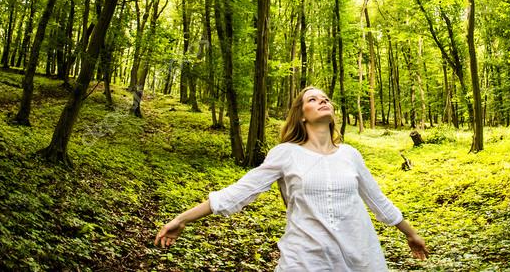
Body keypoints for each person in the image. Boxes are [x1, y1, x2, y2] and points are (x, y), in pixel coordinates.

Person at [154, 86, 429, 270]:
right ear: (301, 117)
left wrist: (412, 234)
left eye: (325, 98)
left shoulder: (350, 155)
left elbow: (378, 201)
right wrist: (181, 219)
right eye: (312, 99)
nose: (322, 100)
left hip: (359, 256)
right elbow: (239, 192)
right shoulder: (285, 154)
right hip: (305, 259)